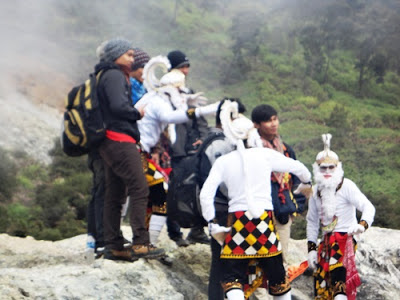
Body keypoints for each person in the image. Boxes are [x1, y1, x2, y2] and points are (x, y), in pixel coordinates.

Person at [200, 102, 312, 300]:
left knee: (233, 277)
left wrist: (212, 222)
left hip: (237, 221)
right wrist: (305, 184)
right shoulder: (266, 155)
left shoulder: (224, 161)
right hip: (264, 220)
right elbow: (300, 169)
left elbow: (205, 194)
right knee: (278, 277)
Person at [134, 55, 220, 247]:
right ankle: (145, 241)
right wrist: (200, 110)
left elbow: (179, 107)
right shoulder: (158, 101)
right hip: (142, 151)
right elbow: (170, 116)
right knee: (159, 193)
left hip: (144, 150)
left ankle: (147, 241)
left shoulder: (157, 97)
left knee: (154, 194)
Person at [94, 38, 164, 261]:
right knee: (140, 188)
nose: (132, 59)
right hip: (120, 140)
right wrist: (137, 113)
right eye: (129, 55)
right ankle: (141, 243)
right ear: (116, 55)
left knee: (115, 193)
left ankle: (113, 244)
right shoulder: (114, 75)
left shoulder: (104, 75)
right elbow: (117, 106)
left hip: (108, 141)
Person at [306, 133, 375, 300]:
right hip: (326, 242)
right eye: (323, 168)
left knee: (339, 280)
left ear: (338, 168)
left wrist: (362, 225)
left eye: (331, 167)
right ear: (317, 169)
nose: (328, 171)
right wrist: (312, 250)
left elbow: (368, 207)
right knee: (322, 283)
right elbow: (312, 221)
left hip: (346, 239)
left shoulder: (347, 186)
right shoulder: (315, 191)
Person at [251, 104, 307, 265]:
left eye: (275, 119)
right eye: (268, 121)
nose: (274, 124)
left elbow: (297, 179)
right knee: (257, 256)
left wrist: (296, 206)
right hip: (258, 211)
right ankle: (260, 290)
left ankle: (277, 289)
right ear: (256, 125)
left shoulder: (285, 150)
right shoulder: (251, 150)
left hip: (282, 211)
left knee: (281, 257)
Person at [166, 50, 211, 246]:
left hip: (191, 149)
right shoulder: (164, 93)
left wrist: (203, 138)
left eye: (186, 67)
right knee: (172, 190)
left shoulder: (188, 92)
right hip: (172, 151)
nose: (185, 71)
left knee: (196, 188)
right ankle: (174, 233)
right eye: (180, 67)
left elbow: (199, 118)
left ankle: (197, 230)